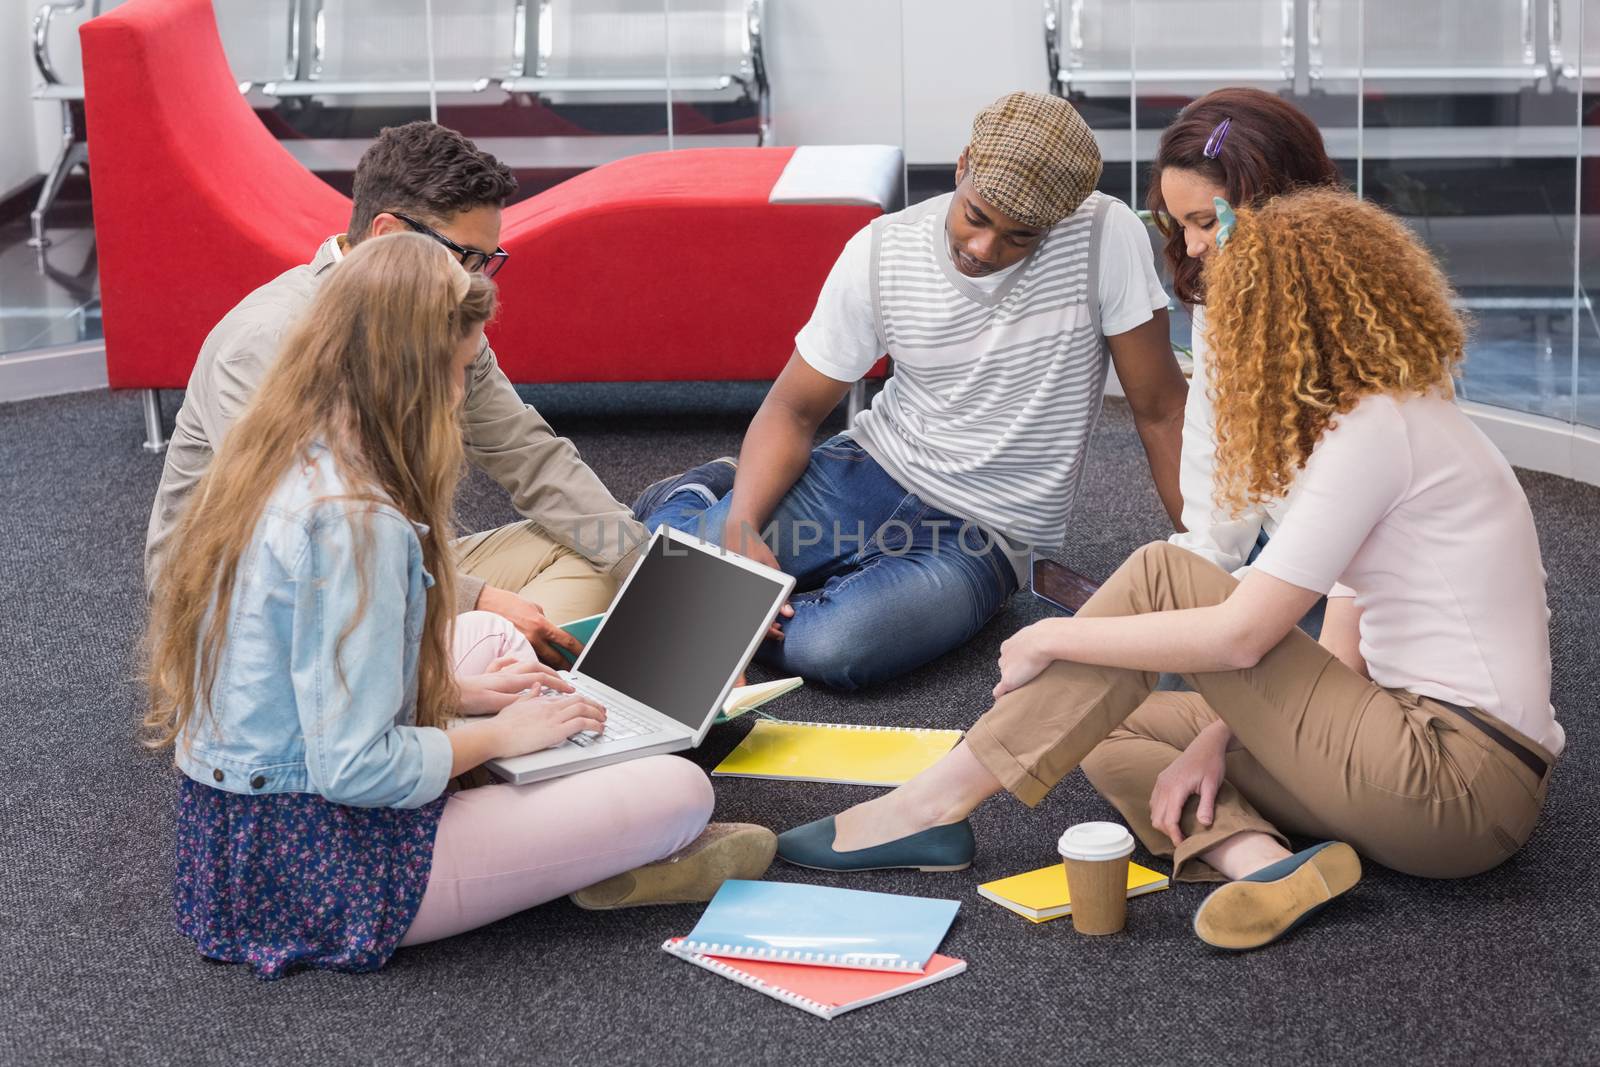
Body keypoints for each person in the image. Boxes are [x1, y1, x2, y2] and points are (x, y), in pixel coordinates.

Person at [776, 189, 1560, 952]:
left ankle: (933, 802)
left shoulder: (1378, 430)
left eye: (1245, 312)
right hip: (1410, 749)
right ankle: (1261, 864)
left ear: (1294, 319)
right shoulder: (1391, 413)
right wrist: (1217, 737)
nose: (1233, 339)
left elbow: (1244, 635)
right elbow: (1347, 637)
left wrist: (1058, 640)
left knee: (1163, 577)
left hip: (1457, 780)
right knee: (1108, 725)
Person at [143, 234, 773, 980]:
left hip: (235, 845)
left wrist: (461, 697)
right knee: (681, 789)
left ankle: (551, 812)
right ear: (414, 375)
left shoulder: (280, 448)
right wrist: (499, 734)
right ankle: (584, 847)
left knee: (483, 639)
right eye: (458, 371)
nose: (459, 394)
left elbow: (302, 668)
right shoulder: (360, 523)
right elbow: (353, 769)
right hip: (317, 871)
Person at [634, 91, 1189, 690]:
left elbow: (1160, 411)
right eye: (975, 216)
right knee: (682, 578)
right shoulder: (881, 250)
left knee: (834, 649)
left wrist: (1206, 561)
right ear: (962, 165)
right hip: (863, 472)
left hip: (983, 533)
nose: (984, 249)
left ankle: (712, 547)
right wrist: (742, 523)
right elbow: (793, 410)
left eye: (1020, 237)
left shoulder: (1107, 237)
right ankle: (708, 497)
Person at [145, 121, 648, 665]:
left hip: (382, 564)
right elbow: (311, 539)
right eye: (466, 257)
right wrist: (479, 599)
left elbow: (534, 457)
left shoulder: (446, 313)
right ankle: (472, 680)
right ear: (387, 235)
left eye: (488, 261)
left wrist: (668, 582)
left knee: (592, 554)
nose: (480, 283)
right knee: (501, 625)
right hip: (254, 606)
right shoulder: (268, 339)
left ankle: (474, 677)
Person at [1148, 87, 1343, 576]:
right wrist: (1201, 564)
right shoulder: (1226, 290)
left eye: (1206, 222)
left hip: (1354, 575)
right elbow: (1212, 436)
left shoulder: (1356, 317)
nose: (1191, 247)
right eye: (1180, 225)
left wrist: (1239, 598)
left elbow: (1347, 523)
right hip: (1275, 552)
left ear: (1276, 202)